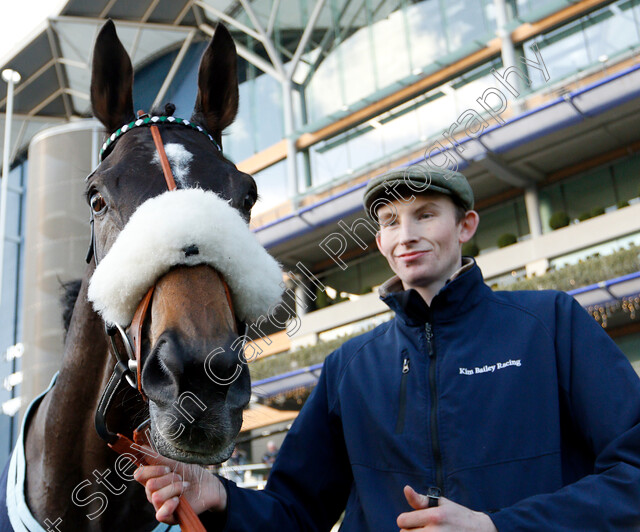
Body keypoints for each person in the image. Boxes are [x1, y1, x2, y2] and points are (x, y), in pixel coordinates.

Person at [134, 166, 640, 531]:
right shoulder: (347, 369)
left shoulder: (550, 323)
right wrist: (222, 497)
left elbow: (631, 476)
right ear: (379, 242)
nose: (407, 235)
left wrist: (496, 527)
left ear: (466, 226)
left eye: (425, 215)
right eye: (391, 221)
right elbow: (295, 511)